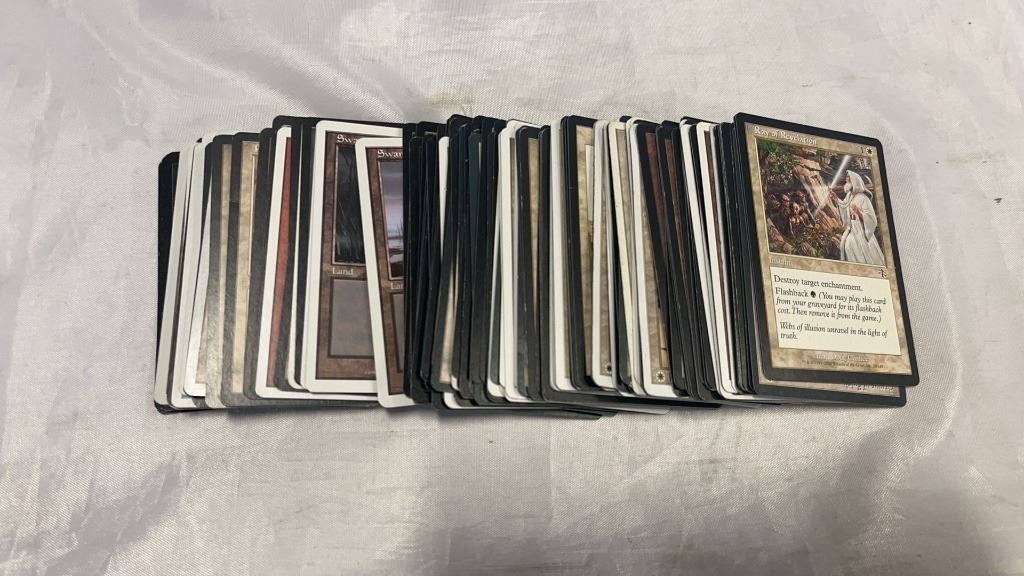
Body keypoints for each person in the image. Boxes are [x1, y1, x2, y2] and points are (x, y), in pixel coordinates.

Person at [829, 171, 885, 265]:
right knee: (847, 246)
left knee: (861, 250)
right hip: (852, 228)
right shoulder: (849, 196)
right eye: (846, 179)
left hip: (861, 229)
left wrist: (858, 212)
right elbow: (844, 205)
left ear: (855, 182)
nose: (846, 181)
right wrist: (836, 199)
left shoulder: (863, 198)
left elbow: (871, 218)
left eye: (849, 179)